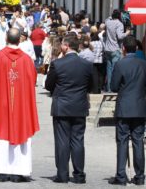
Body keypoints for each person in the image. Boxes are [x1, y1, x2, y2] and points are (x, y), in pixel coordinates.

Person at [0, 28, 39, 183]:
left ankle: (0, 171)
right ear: (19, 39)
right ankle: (18, 172)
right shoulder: (27, 60)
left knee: (0, 136)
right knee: (21, 132)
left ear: (6, 38)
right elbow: (32, 79)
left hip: (2, 105)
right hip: (20, 106)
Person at [45, 33, 93, 184]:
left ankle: (63, 174)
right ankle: (79, 175)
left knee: (62, 141)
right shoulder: (86, 64)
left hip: (62, 106)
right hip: (79, 106)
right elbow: (91, 85)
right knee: (78, 140)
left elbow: (48, 85)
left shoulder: (58, 64)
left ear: (65, 46)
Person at [108, 36, 146, 186]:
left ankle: (121, 176)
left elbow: (113, 86)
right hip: (139, 107)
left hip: (124, 107)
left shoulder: (120, 64)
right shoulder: (145, 65)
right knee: (138, 142)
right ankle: (140, 176)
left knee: (122, 142)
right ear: (137, 48)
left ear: (124, 49)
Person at [104, 10, 130, 92]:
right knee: (115, 70)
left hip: (107, 49)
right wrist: (127, 33)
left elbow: (107, 18)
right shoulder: (119, 24)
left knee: (109, 70)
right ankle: (113, 88)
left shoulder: (108, 22)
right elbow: (120, 36)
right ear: (119, 16)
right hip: (115, 48)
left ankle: (109, 88)